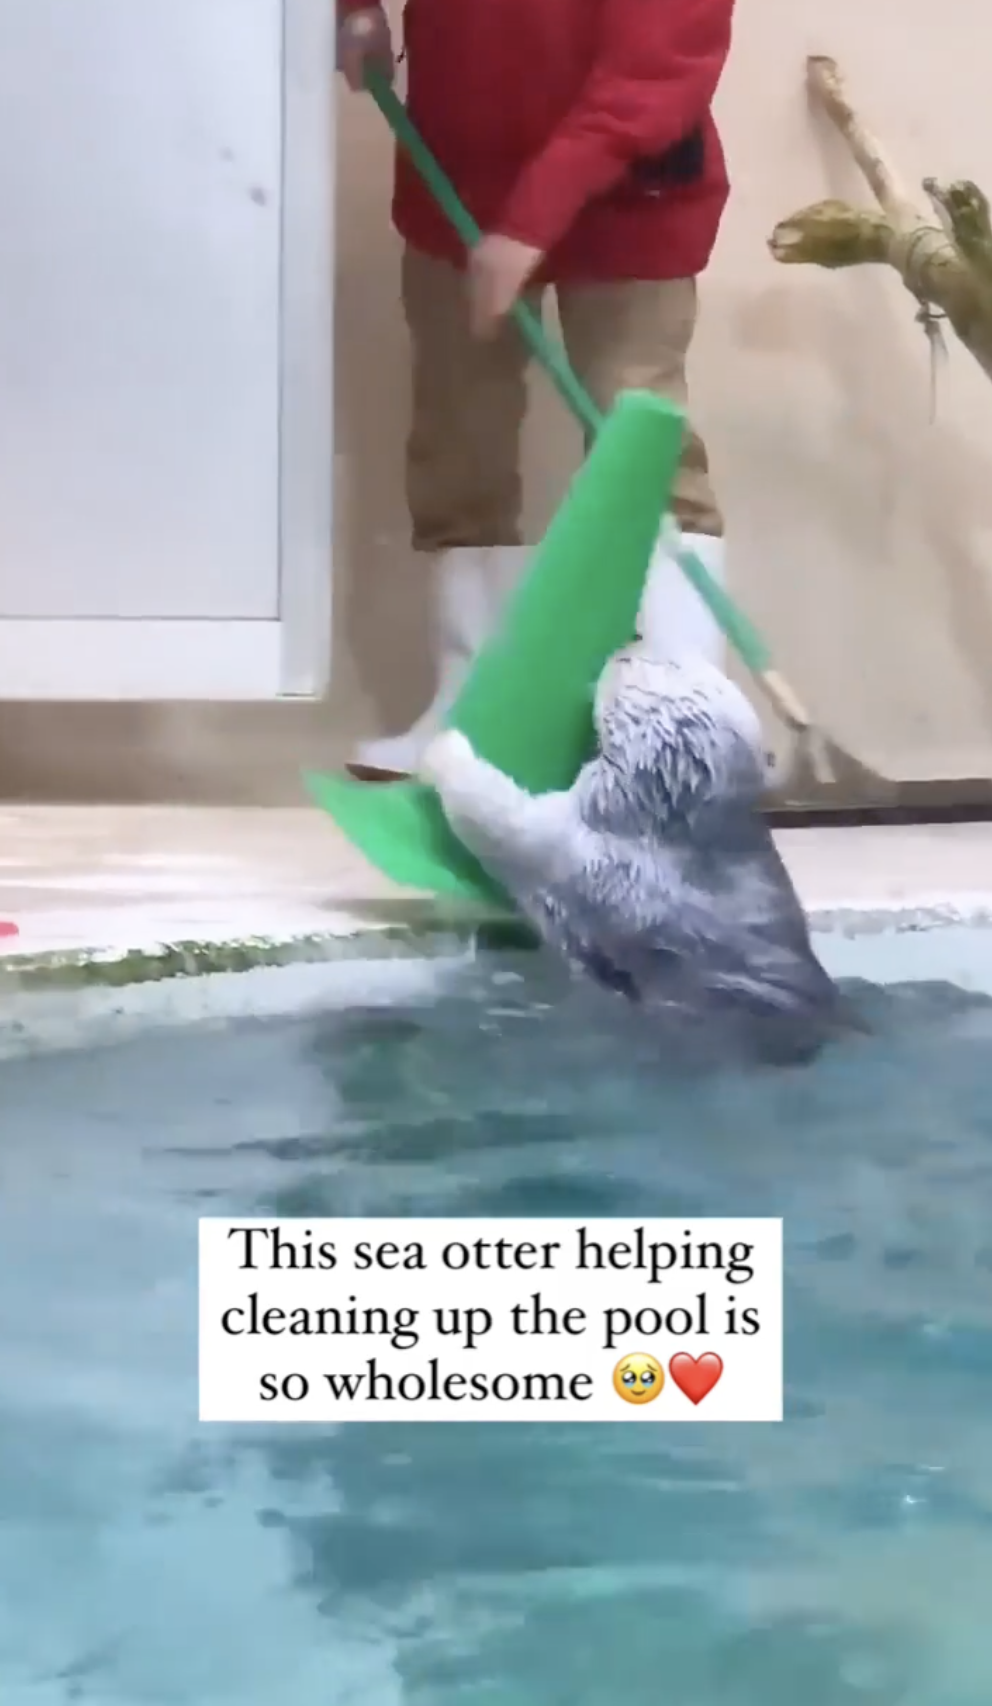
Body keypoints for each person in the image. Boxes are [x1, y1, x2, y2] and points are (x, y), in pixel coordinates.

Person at [338, 0, 737, 780]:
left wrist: (528, 222)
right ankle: (474, 714)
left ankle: (681, 724)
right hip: (459, 174)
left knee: (641, 440)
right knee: (458, 445)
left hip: (628, 194)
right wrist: (353, 8)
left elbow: (658, 68)